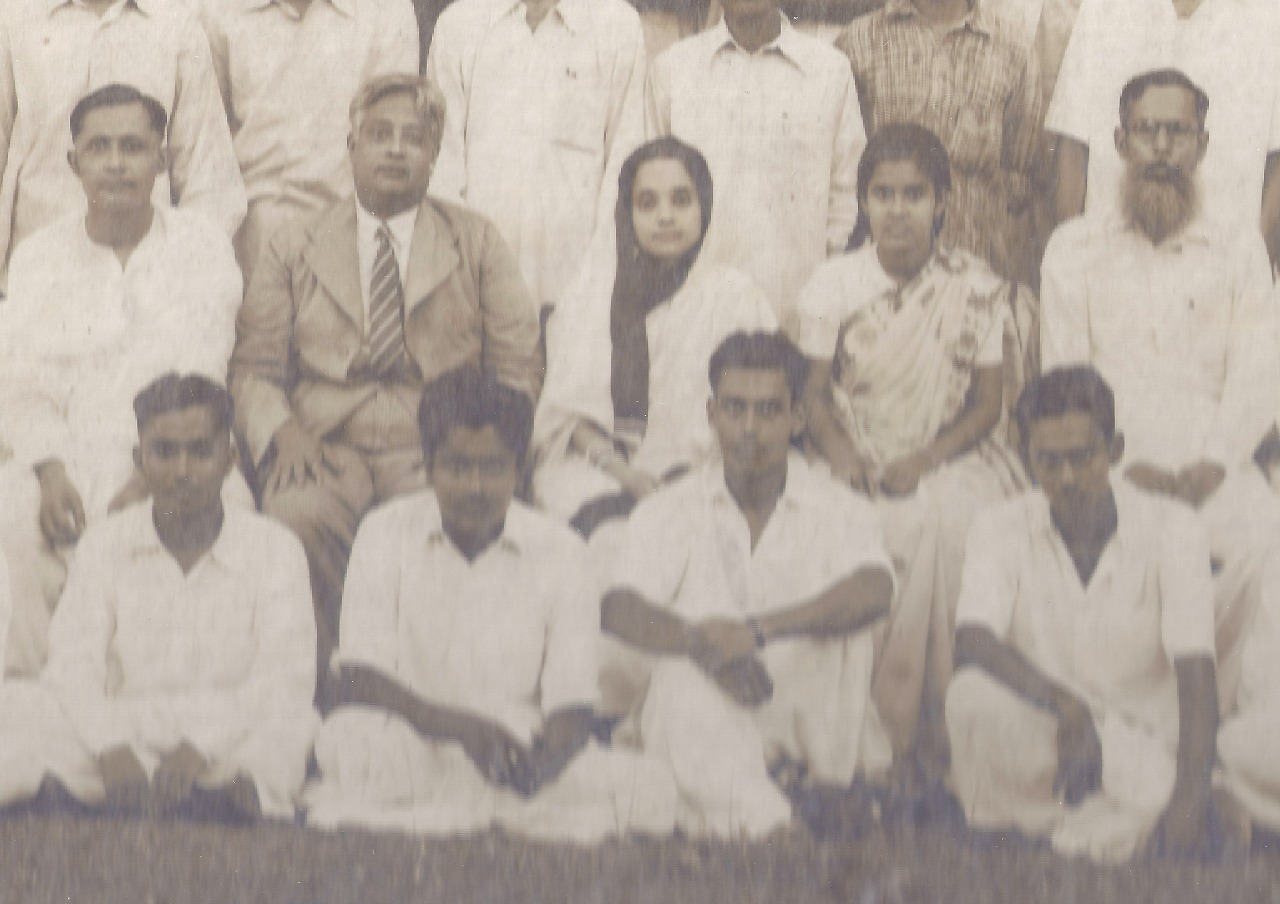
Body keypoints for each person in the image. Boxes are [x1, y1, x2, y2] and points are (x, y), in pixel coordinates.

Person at [230, 72, 539, 680]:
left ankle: (420, 691)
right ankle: (319, 686)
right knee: (296, 517)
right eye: (379, 135)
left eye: (413, 138)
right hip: (322, 441)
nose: (396, 149)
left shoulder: (475, 241)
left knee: (440, 522)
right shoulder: (293, 243)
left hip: (434, 442)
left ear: (435, 155)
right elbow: (255, 367)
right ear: (351, 148)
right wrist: (283, 433)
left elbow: (517, 366)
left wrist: (474, 446)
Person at [305, 367, 677, 839]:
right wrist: (459, 729)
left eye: (492, 467)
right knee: (351, 742)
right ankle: (506, 815)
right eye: (458, 467)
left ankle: (461, 812)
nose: (474, 488)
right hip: (414, 734)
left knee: (648, 787)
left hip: (514, 740)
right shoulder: (384, 531)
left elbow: (572, 701)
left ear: (520, 470)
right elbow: (362, 675)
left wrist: (545, 765)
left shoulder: (561, 549)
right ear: (428, 462)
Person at [1040, 68, 1280, 714]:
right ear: (1119, 142)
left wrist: (1216, 463)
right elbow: (1063, 379)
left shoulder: (1237, 250)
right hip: (1107, 459)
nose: (1163, 147)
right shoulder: (1073, 247)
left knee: (1263, 536)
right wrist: (1116, 467)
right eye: (1148, 131)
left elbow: (1261, 373)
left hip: (1214, 459)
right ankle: (1136, 722)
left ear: (1202, 146)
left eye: (1179, 132)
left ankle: (1229, 734)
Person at [797, 123, 1028, 781]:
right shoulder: (833, 282)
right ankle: (858, 739)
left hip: (946, 452)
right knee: (857, 525)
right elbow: (812, 396)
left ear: (944, 202)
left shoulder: (974, 285)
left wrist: (925, 461)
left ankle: (943, 739)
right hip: (852, 443)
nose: (897, 210)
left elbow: (987, 405)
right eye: (883, 193)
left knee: (948, 523)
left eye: (914, 194)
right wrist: (846, 458)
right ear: (864, 201)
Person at [602, 332, 896, 837]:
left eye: (768, 411)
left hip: (804, 714)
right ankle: (777, 822)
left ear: (798, 419)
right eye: (735, 409)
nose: (749, 430)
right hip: (712, 703)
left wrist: (758, 632)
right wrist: (706, 647)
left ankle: (724, 801)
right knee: (680, 676)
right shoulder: (670, 506)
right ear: (712, 413)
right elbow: (620, 606)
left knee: (829, 637)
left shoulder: (838, 506)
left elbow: (875, 589)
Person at [0, 83, 244, 678]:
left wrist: (147, 477)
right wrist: (52, 473)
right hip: (61, 458)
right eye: (99, 147)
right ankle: (32, 711)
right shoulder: (37, 257)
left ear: (161, 159)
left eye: (133, 147)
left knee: (222, 522)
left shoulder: (202, 248)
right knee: (12, 522)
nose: (115, 163)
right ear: (73, 162)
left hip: (175, 454)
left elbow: (202, 377)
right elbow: (23, 386)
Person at [0, 374, 318, 821]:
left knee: (293, 725)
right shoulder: (106, 542)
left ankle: (106, 792)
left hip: (229, 730)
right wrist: (111, 747)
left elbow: (283, 678)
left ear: (229, 461)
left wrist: (200, 747)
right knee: (18, 704)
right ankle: (190, 798)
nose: (182, 471)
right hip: (127, 725)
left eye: (200, 451)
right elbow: (73, 665)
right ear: (140, 459)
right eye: (165, 452)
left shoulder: (275, 548)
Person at [948, 366, 1222, 862]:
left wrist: (1189, 798)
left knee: (1159, 796)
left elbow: (1197, 671)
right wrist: (1067, 708)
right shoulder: (999, 525)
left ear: (1115, 450)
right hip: (1052, 728)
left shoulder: (1173, 527)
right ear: (1026, 456)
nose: (1066, 479)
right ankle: (1076, 826)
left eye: (1083, 458)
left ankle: (1074, 826)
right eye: (1048, 462)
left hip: (1137, 743)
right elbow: (972, 637)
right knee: (970, 695)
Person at [531, 136, 775, 536]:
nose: (665, 216)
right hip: (604, 469)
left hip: (711, 470)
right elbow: (567, 418)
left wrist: (696, 475)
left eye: (681, 200)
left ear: (704, 207)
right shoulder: (593, 293)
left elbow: (758, 409)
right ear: (627, 213)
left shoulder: (737, 295)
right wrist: (627, 476)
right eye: (648, 203)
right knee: (601, 526)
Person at [645, 0, 864, 329]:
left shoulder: (830, 71)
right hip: (694, 322)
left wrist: (823, 308)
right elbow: (647, 197)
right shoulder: (673, 70)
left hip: (797, 319)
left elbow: (847, 203)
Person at [0, 0, 245, 289]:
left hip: (149, 280)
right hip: (41, 277)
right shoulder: (13, 18)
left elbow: (209, 178)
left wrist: (180, 275)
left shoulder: (178, 24)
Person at [426, 0, 646, 314]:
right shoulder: (459, 23)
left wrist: (596, 281)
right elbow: (442, 168)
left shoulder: (618, 24)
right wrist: (461, 277)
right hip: (475, 289)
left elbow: (625, 164)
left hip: (577, 289)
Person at [201, 0, 420, 277]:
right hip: (249, 233)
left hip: (349, 233)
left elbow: (390, 149)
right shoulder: (216, 10)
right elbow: (208, 152)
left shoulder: (387, 10)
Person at [836, 0, 1044, 284]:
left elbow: (1018, 185)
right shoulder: (857, 43)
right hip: (877, 287)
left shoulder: (1014, 51)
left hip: (974, 285)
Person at [1045, 0, 1280, 252]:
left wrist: (1254, 267)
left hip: (1221, 267)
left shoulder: (1269, 16)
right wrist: (1073, 256)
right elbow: (1073, 144)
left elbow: (1276, 164)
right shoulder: (1104, 8)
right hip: (1109, 265)